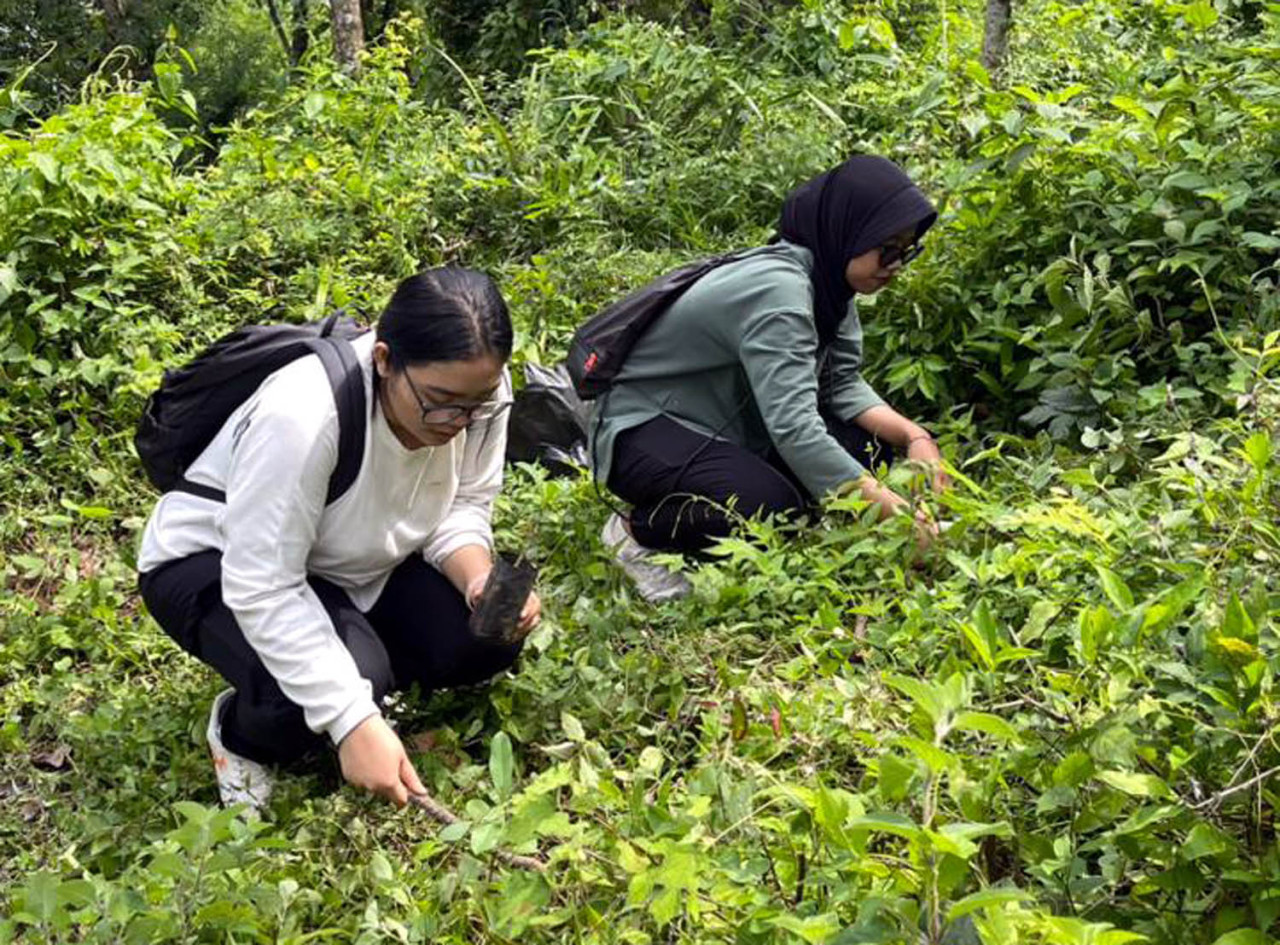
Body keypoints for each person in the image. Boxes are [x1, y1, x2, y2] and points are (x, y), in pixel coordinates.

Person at [137, 268, 541, 811]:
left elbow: (464, 502)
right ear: (383, 360)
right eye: (441, 401)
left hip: (354, 558)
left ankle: (354, 669)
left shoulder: (479, 394)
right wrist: (352, 719)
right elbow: (263, 585)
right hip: (218, 563)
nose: (458, 423)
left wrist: (476, 576)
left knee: (482, 639)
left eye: (476, 404)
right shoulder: (303, 415)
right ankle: (240, 735)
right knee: (326, 693)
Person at [592, 154, 949, 601]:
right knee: (768, 508)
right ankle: (637, 533)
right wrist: (896, 517)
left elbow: (839, 384)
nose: (896, 265)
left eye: (907, 251)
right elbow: (795, 429)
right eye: (887, 248)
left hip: (727, 424)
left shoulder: (830, 283)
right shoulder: (780, 293)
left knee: (869, 446)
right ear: (847, 229)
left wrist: (915, 437)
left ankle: (755, 494)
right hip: (644, 428)